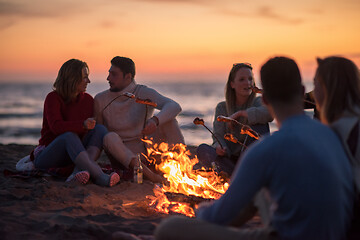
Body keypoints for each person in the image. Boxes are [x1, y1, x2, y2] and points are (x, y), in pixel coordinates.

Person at [155, 56, 354, 240]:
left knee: (169, 228)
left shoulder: (263, 150)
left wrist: (199, 210)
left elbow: (217, 217)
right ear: (302, 92)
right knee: (258, 194)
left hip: (285, 234)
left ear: (265, 100)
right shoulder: (334, 136)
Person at [94, 56, 184, 183]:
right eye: (109, 74)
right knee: (108, 137)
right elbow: (100, 134)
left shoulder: (143, 92)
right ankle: (151, 177)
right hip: (122, 157)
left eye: (114, 75)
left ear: (128, 77)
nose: (108, 78)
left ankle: (182, 169)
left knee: (169, 121)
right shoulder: (100, 99)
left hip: (147, 152)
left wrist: (155, 121)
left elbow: (174, 106)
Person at [33, 59, 120, 187]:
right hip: (49, 156)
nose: (88, 81)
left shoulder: (88, 100)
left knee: (100, 129)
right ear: (72, 78)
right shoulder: (53, 98)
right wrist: (82, 125)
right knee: (69, 136)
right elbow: (56, 127)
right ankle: (100, 177)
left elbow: (90, 133)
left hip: (74, 154)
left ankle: (77, 172)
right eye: (85, 77)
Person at [196, 62, 273, 175]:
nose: (247, 83)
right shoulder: (222, 107)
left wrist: (240, 114)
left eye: (250, 79)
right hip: (230, 161)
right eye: (242, 79)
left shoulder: (258, 102)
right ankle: (232, 175)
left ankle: (244, 175)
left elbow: (270, 114)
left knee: (260, 124)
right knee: (203, 149)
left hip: (251, 160)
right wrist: (220, 147)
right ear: (232, 84)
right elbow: (218, 135)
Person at [313, 56, 360, 237]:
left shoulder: (345, 131)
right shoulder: (339, 128)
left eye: (316, 83)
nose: (313, 91)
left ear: (327, 88)